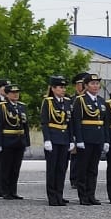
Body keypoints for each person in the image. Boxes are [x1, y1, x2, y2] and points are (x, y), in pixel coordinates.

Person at [70, 73, 108, 205]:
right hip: (85, 139)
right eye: (92, 84)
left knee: (93, 169)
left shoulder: (101, 101)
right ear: (86, 86)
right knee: (83, 169)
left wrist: (106, 140)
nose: (95, 86)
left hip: (98, 138)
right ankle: (83, 196)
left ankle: (91, 194)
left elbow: (105, 122)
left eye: (97, 83)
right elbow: (76, 121)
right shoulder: (80, 100)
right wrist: (79, 140)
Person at [0, 83, 29, 200]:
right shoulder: (2, 107)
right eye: (12, 93)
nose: (15, 95)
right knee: (6, 168)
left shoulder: (21, 106)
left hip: (19, 140)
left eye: (17, 92)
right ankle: (5, 191)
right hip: (7, 140)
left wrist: (27, 142)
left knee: (16, 168)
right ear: (7, 94)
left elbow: (25, 126)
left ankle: (13, 190)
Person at [40, 75, 74, 207]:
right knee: (52, 169)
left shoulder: (67, 102)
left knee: (61, 169)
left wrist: (71, 139)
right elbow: (45, 122)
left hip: (64, 139)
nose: (63, 90)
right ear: (53, 89)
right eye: (60, 87)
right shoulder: (48, 102)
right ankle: (52, 196)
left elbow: (69, 122)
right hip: (53, 139)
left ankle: (59, 195)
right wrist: (47, 139)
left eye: (64, 87)